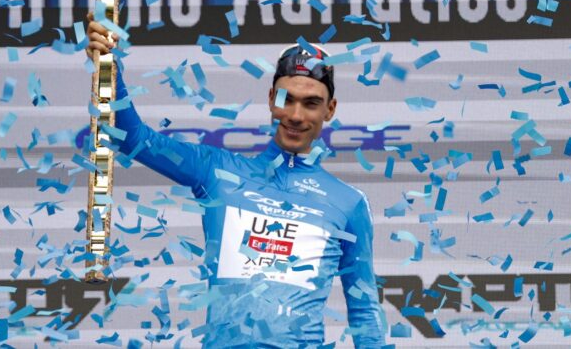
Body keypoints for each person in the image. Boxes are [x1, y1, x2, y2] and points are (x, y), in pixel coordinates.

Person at [87, 21, 387, 348]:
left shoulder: (348, 202)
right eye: (287, 99)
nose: (296, 115)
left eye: (311, 103)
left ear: (330, 110)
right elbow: (133, 138)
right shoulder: (218, 171)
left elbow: (364, 312)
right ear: (272, 98)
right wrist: (109, 66)